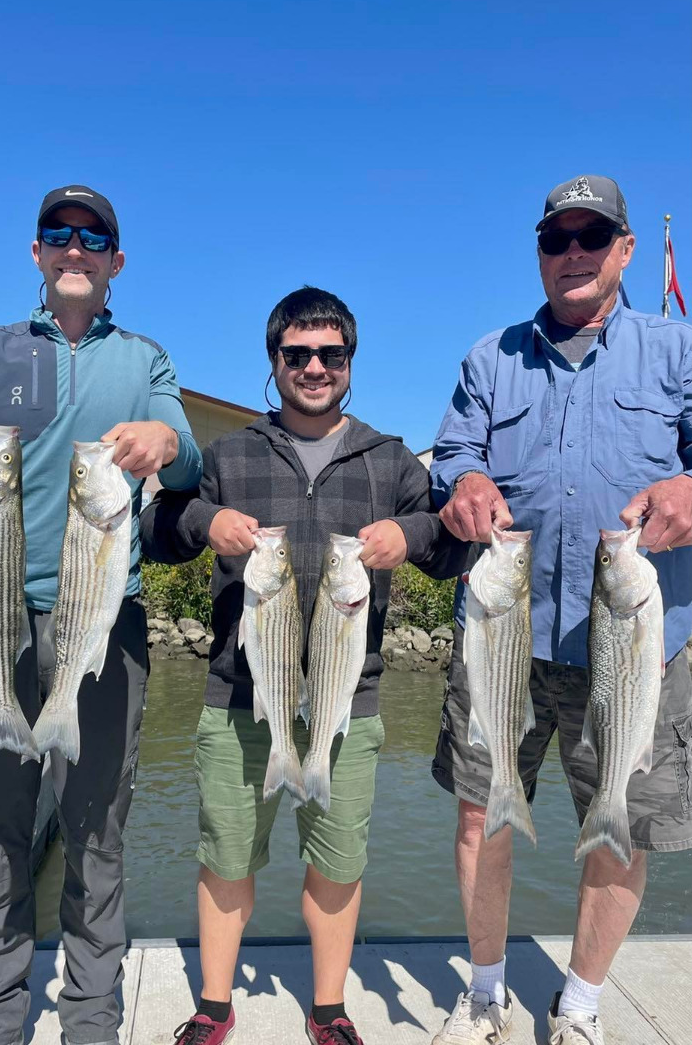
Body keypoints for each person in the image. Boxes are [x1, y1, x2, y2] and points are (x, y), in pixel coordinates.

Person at [140, 285, 466, 1045]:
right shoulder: (230, 454)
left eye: (331, 354)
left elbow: (452, 548)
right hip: (236, 696)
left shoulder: (387, 458)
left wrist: (411, 533)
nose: (314, 367)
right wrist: (203, 518)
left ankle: (328, 1007)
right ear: (274, 360)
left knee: (338, 862)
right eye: (298, 354)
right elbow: (159, 527)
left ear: (350, 361)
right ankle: (214, 1005)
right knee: (225, 855)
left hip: (348, 705)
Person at [0, 185, 202, 1045]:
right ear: (38, 254)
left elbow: (184, 448)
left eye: (94, 237)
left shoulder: (146, 359)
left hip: (102, 628)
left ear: (116, 261)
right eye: (60, 234)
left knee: (96, 831)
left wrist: (167, 443)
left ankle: (90, 1018)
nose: (75, 247)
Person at [430, 175, 692, 1045]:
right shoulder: (489, 357)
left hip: (642, 643)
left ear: (623, 249)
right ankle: (485, 990)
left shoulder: (674, 350)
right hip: (505, 632)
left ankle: (578, 1003)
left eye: (592, 236)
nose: (572, 253)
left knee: (624, 826)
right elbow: (455, 452)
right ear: (538, 253)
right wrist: (463, 479)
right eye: (555, 239)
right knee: (480, 810)